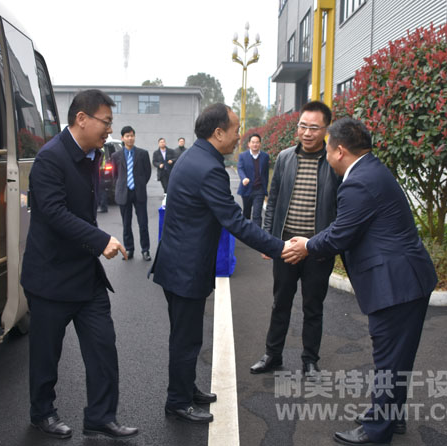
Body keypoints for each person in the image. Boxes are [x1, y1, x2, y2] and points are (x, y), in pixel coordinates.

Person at [283, 117, 437, 445]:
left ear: (340, 151)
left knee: (389, 360)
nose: (325, 156)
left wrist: (307, 245)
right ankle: (390, 417)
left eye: (327, 149)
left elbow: (341, 234)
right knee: (397, 358)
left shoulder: (358, 182)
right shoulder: (370, 170)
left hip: (396, 284)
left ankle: (377, 430)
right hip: (406, 279)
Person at [151, 104, 289, 424]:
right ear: (218, 133)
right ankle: (177, 402)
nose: (239, 136)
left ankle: (186, 388)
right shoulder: (209, 168)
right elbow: (235, 221)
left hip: (177, 263)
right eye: (236, 130)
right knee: (186, 339)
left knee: (186, 336)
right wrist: (280, 248)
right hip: (185, 269)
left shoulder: (194, 156)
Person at [20, 89, 138, 440]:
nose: (110, 130)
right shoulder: (50, 159)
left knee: (103, 347)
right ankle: (42, 412)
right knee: (46, 355)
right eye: (106, 121)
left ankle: (101, 417)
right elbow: (54, 213)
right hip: (50, 276)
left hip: (86, 276)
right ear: (82, 119)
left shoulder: (92, 155)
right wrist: (101, 240)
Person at [249, 102, 340, 381]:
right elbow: (273, 199)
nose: (307, 133)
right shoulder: (285, 158)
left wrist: (328, 244)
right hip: (286, 246)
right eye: (303, 126)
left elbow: (341, 208)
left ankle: (310, 361)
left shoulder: (334, 163)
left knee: (313, 307)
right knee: (281, 302)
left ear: (325, 130)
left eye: (314, 127)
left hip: (318, 248)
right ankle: (272, 354)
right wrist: (269, 241)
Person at [111, 126, 152, 261]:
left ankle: (145, 250)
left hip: (139, 192)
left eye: (132, 135)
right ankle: (129, 249)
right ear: (122, 138)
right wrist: (122, 185)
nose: (130, 138)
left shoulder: (143, 154)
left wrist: (139, 184)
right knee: (126, 224)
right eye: (127, 136)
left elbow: (147, 172)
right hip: (124, 193)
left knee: (143, 224)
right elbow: (114, 175)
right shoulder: (116, 156)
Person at [236, 133, 270, 227]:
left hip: (259, 190)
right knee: (246, 213)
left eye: (257, 142)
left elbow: (266, 174)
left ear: (260, 144)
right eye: (253, 142)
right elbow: (240, 168)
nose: (255, 144)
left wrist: (265, 188)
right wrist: (244, 178)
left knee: (257, 215)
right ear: (249, 144)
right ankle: (246, 232)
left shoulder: (265, 156)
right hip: (247, 189)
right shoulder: (243, 156)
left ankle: (257, 234)